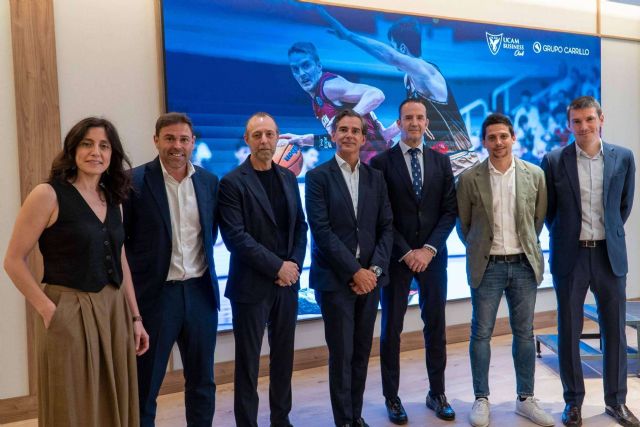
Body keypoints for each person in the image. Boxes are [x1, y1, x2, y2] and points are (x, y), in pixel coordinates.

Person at [3, 117, 149, 426]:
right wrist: (48, 310)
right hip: (69, 308)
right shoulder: (47, 194)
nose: (96, 152)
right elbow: (13, 260)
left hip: (114, 310)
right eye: (87, 144)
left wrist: (135, 318)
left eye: (104, 146)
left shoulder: (114, 199)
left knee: (113, 398)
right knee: (72, 402)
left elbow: (120, 259)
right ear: (72, 149)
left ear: (112, 154)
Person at [541, 96, 638, 427]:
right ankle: (573, 403)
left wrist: (606, 233)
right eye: (577, 121)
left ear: (601, 119)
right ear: (569, 124)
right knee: (569, 331)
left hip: (610, 255)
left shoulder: (623, 157)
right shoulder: (554, 160)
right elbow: (550, 212)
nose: (583, 127)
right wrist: (570, 235)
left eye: (589, 119)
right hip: (571, 256)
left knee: (615, 332)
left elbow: (622, 207)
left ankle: (616, 402)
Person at [123, 112, 220, 427]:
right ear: (156, 141)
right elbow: (122, 244)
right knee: (146, 386)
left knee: (202, 383)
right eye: (169, 139)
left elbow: (210, 234)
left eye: (183, 139)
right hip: (156, 298)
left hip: (200, 295)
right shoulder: (133, 182)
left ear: (193, 142)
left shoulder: (208, 182)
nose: (177, 146)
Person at [457, 113, 553, 427]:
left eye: (503, 136)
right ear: (484, 142)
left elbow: (537, 221)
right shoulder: (469, 179)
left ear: (513, 138)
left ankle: (525, 399)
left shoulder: (535, 174)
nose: (498, 142)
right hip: (487, 267)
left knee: (524, 333)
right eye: (492, 138)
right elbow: (465, 226)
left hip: (523, 266)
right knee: (481, 333)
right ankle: (481, 398)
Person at [369, 99, 457, 424]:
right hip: (397, 258)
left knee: (435, 327)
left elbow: (449, 211)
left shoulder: (441, 161)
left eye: (420, 117)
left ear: (427, 122)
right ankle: (392, 398)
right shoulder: (381, 162)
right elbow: (382, 216)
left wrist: (429, 249)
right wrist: (407, 252)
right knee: (391, 329)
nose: (415, 123)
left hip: (433, 258)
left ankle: (437, 393)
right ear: (400, 122)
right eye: (408, 117)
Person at [218, 112, 308, 427]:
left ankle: (281, 419)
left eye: (269, 134)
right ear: (247, 140)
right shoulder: (231, 183)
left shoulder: (288, 178)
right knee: (248, 363)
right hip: (251, 286)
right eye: (257, 135)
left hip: (288, 284)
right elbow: (236, 238)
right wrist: (278, 267)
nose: (264, 140)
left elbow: (301, 227)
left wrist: (293, 265)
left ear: (277, 137)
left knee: (283, 358)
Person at [306, 109, 393, 427]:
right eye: (343, 129)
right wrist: (355, 272)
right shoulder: (318, 178)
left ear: (364, 137)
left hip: (371, 280)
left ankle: (356, 415)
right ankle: (343, 420)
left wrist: (374, 272)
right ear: (333, 135)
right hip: (335, 281)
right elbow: (322, 232)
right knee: (341, 354)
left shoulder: (376, 178)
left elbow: (387, 228)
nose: (349, 135)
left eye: (355, 130)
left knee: (361, 352)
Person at [319, 9, 479, 176]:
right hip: (442, 163)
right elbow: (412, 122)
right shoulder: (408, 79)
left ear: (402, 48)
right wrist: (385, 133)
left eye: (393, 46)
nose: (392, 51)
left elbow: (392, 57)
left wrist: (348, 36)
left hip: (461, 161)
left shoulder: (426, 71)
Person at [283, 41, 399, 163]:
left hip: (378, 164)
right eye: (295, 69)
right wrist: (304, 140)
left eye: (306, 65)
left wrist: (346, 119)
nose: (301, 73)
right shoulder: (317, 102)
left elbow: (377, 94)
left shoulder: (329, 87)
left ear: (318, 66)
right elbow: (336, 141)